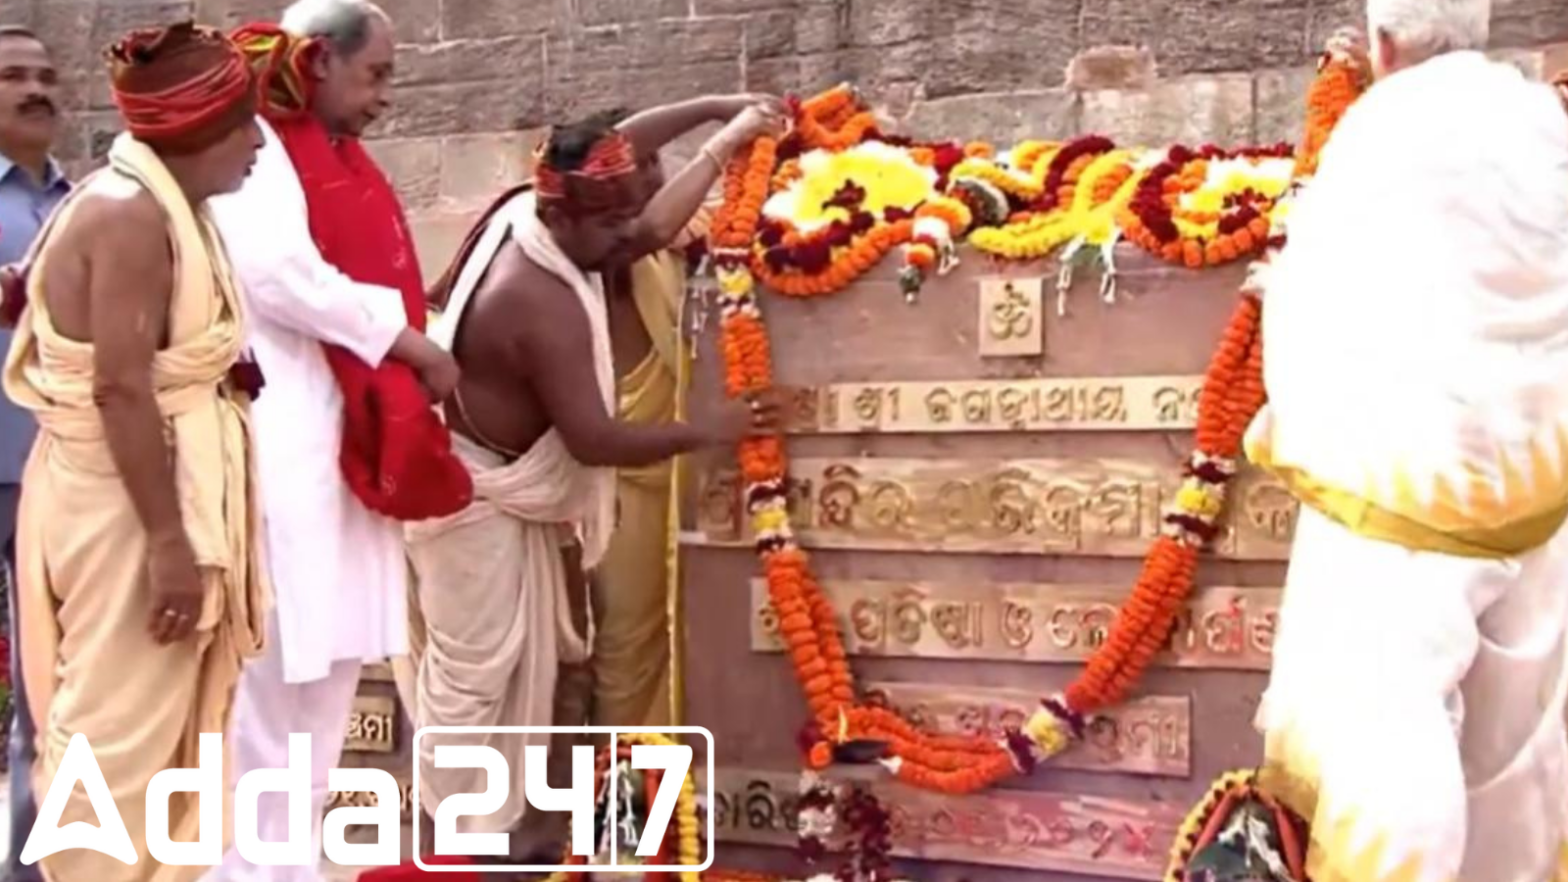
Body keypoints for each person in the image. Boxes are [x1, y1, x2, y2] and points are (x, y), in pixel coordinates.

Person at [402, 96, 785, 858]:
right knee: (478, 682)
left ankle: (514, 839)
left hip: (511, 493)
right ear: (566, 214)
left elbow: (632, 189)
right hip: (474, 502)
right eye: (609, 225)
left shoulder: (541, 205)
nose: (628, 239)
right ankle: (447, 849)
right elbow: (597, 439)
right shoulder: (533, 295)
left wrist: (723, 117)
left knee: (538, 679)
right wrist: (711, 428)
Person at [1244, 0, 1568, 878]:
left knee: (1381, 728)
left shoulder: (1384, 123)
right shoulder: (1541, 119)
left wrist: (1289, 414)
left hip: (1399, 487)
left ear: (1383, 44)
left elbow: (1313, 293)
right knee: (1522, 737)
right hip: (1538, 473)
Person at [202, 1, 467, 878]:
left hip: (337, 450)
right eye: (375, 74)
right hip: (280, 448)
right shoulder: (255, 146)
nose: (386, 96)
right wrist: (401, 336)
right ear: (315, 61)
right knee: (269, 694)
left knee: (325, 686)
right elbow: (275, 270)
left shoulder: (339, 159)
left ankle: (291, 865)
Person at [1, 21, 266, 882]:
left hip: (136, 491)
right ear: (196, 130)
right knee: (115, 736)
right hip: (120, 506)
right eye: (244, 125)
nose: (259, 143)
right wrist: (168, 546)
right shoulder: (129, 214)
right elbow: (121, 388)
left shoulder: (149, 204)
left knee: (162, 741)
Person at [591, 129, 714, 730]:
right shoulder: (602, 246)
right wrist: (726, 124)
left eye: (659, 162)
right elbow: (649, 233)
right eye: (640, 165)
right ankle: (618, 803)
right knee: (626, 644)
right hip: (622, 482)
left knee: (688, 634)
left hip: (682, 473)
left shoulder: (676, 241)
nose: (655, 177)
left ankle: (669, 793)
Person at [0, 25, 65, 882]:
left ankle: (27, 865)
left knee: (46, 692)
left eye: (47, 76)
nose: (35, 88)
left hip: (48, 476)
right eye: (13, 75)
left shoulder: (81, 204)